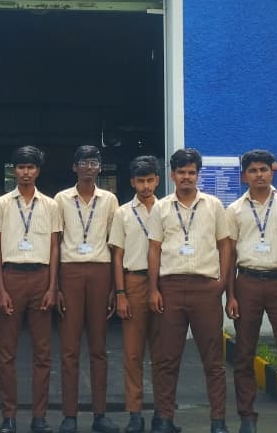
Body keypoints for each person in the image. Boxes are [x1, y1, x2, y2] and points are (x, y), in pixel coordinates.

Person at [146, 148, 234, 433]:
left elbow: (225, 245)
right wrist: (153, 289)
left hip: (205, 288)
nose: (187, 177)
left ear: (198, 174)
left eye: (192, 172)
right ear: (172, 175)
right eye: (181, 172)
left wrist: (221, 282)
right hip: (170, 288)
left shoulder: (214, 205)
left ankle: (218, 420)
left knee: (213, 359)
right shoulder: (161, 207)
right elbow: (154, 249)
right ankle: (164, 419)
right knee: (167, 358)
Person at [224, 150, 277, 433]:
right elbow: (230, 256)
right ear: (244, 176)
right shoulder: (234, 210)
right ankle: (247, 417)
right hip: (247, 282)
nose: (259, 175)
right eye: (253, 170)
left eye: (263, 169)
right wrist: (230, 295)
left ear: (272, 172)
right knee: (244, 354)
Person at [0, 145, 61, 433]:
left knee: (42, 353)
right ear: (14, 170)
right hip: (11, 277)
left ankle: (39, 417)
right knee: (6, 352)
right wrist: (0, 289)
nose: (26, 172)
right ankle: (8, 416)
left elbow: (55, 249)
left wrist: (52, 287)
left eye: (31, 167)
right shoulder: (1, 204)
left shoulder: (51, 205)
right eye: (21, 167)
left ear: (38, 171)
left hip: (41, 278)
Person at [53, 145, 120, 433]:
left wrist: (114, 288)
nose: (89, 167)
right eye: (84, 162)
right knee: (69, 348)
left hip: (100, 272)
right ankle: (69, 415)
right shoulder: (61, 199)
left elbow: (114, 244)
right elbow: (55, 244)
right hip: (70, 272)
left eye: (94, 162)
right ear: (74, 167)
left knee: (98, 348)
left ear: (100, 168)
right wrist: (55, 286)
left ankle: (100, 415)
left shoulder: (110, 200)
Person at [108, 156, 161, 433]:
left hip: (164, 284)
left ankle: (163, 414)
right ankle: (135, 414)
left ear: (158, 180)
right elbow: (117, 256)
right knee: (132, 353)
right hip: (134, 281)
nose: (146, 186)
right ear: (132, 182)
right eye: (140, 181)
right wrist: (121, 293)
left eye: (150, 180)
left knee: (163, 353)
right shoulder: (123, 213)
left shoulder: (168, 209)